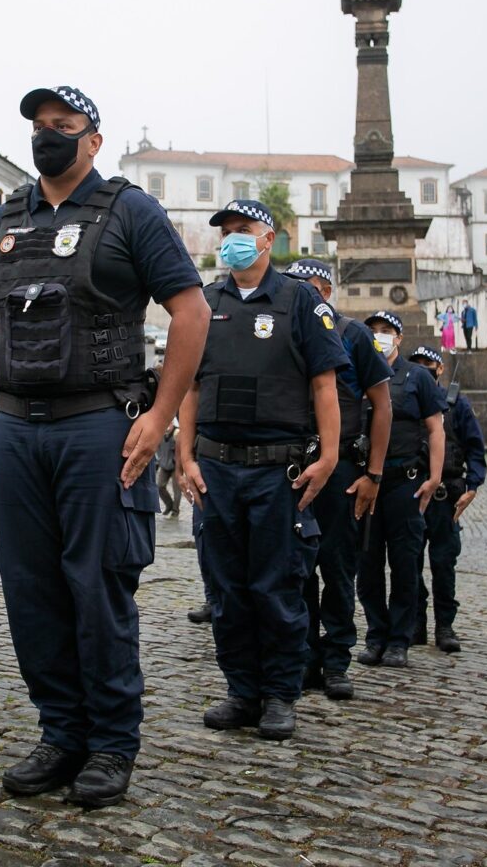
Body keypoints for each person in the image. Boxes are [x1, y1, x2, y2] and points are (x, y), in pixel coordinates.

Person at [0, 86, 208, 808]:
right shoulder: (6, 219)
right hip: (16, 426)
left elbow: (191, 312)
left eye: (63, 127)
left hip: (97, 426)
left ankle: (110, 743)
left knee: (97, 588)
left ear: (93, 140)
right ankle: (60, 732)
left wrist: (160, 416)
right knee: (32, 591)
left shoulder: (131, 210)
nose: (48, 138)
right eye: (40, 128)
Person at [177, 203, 346, 742]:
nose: (232, 241)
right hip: (217, 470)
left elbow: (325, 385)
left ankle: (279, 694)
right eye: (225, 234)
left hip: (279, 473)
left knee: (277, 587)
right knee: (227, 588)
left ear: (269, 239)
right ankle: (241, 690)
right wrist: (184, 456)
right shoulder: (204, 303)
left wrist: (331, 456)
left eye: (242, 232)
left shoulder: (300, 302)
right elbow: (189, 387)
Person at [282, 259, 391, 702]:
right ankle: (305, 658)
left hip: (343, 468)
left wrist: (374, 476)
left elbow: (382, 406)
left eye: (306, 287)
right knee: (297, 571)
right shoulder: (283, 332)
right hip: (292, 465)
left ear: (325, 291)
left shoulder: (354, 335)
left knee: (338, 567)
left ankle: (337, 659)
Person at [355, 310, 445, 670]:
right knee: (368, 562)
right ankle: (376, 634)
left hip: (404, 482)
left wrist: (435, 476)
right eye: (374, 330)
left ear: (399, 337)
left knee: (406, 563)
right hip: (367, 484)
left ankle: (399, 639)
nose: (379, 336)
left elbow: (436, 429)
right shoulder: (358, 372)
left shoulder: (417, 376)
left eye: (386, 330)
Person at [408, 346, 486, 653]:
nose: (423, 368)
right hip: (413, 493)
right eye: (417, 364)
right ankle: (416, 623)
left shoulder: (457, 406)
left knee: (443, 564)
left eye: (428, 363)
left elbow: (475, 448)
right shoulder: (404, 400)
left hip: (445, 497)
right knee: (409, 563)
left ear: (440, 369)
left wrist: (473, 485)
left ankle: (445, 625)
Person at [155, 421, 181, 518]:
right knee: (160, 486)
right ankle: (169, 505)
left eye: (169, 423)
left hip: (176, 466)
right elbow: (156, 447)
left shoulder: (177, 433)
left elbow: (182, 449)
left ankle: (175, 510)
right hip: (164, 465)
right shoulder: (161, 433)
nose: (167, 426)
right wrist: (159, 459)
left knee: (177, 490)